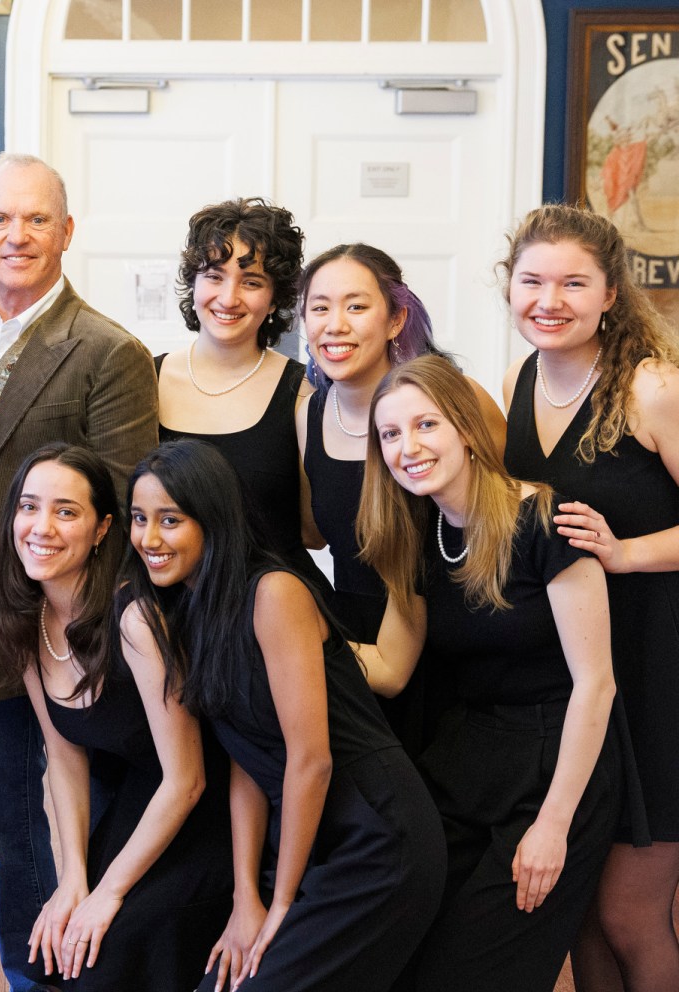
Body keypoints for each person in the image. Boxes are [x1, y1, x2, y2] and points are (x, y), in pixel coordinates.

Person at [0, 151, 158, 991]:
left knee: (39, 838)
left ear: (66, 232)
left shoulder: (106, 351)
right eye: (0, 219)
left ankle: (46, 982)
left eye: (37, 219)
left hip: (50, 642)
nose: (16, 235)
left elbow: (125, 516)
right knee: (9, 835)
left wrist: (73, 645)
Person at [126, 439, 443, 992]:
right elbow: (248, 758)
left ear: (213, 519)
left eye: (170, 520)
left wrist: (281, 903)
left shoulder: (274, 593)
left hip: (378, 837)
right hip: (308, 835)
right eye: (138, 518)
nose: (149, 539)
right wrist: (245, 895)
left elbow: (311, 761)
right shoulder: (190, 613)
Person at [357, 354, 619, 992]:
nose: (408, 447)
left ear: (466, 431)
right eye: (391, 435)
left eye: (426, 425)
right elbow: (389, 668)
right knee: (393, 945)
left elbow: (597, 685)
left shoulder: (546, 522)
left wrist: (553, 827)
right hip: (468, 761)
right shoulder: (421, 535)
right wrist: (289, 636)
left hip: (557, 767)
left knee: (471, 974)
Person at [497, 204, 679, 992]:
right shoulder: (518, 379)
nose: (550, 299)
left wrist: (626, 552)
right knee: (579, 917)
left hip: (655, 668)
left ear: (611, 293)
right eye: (533, 281)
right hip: (572, 678)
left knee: (631, 915)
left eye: (574, 282)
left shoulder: (653, 387)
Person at [0, 442, 232, 987]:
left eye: (66, 511)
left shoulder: (135, 619)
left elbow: (188, 780)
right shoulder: (26, 619)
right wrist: (74, 875)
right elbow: (64, 755)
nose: (41, 527)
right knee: (62, 945)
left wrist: (109, 891)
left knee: (107, 952)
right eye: (29, 507)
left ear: (102, 530)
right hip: (133, 809)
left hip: (204, 817)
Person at [294, 243, 502, 752]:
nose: (335, 324)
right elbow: (316, 530)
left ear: (395, 320)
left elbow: (507, 502)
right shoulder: (309, 416)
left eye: (356, 306)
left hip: (456, 646)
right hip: (359, 650)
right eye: (319, 308)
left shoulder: (457, 398)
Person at [155, 197, 324, 587]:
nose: (229, 298)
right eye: (214, 276)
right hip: (171, 608)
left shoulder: (303, 393)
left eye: (251, 282)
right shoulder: (147, 379)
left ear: (274, 300)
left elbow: (313, 534)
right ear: (193, 284)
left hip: (273, 609)